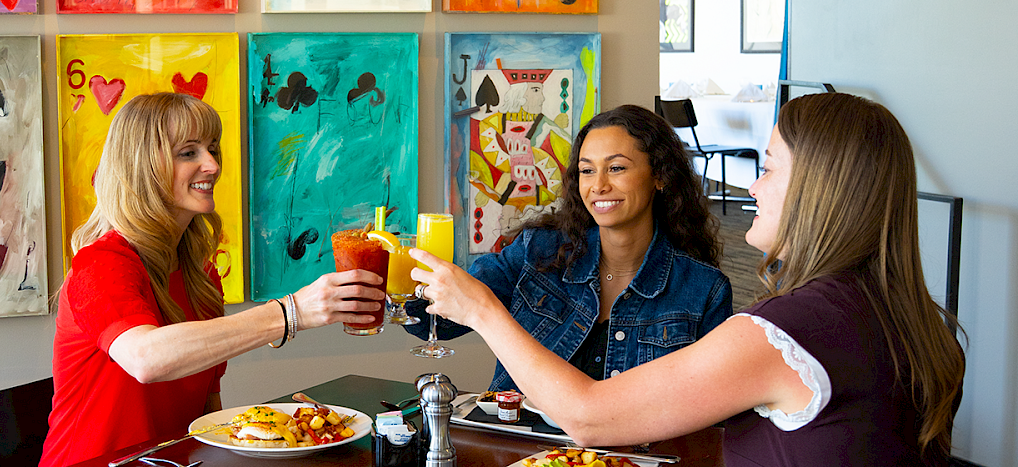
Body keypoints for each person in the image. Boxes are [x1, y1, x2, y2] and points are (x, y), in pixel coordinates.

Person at [412, 93, 965, 466]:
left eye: (768, 167)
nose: (752, 186)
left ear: (820, 189)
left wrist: (484, 310)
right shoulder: (907, 318)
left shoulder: (780, 331)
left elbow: (589, 418)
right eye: (585, 167)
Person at [41, 93, 385, 467]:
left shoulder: (201, 277)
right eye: (188, 153)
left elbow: (206, 412)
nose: (212, 165)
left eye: (213, 149)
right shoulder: (102, 263)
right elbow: (146, 358)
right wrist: (290, 312)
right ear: (142, 166)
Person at [407, 104, 732, 390]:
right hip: (523, 450)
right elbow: (437, 321)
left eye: (616, 168)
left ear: (660, 175)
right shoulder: (537, 252)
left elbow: (711, 410)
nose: (599, 185)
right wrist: (384, 299)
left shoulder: (704, 290)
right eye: (587, 170)